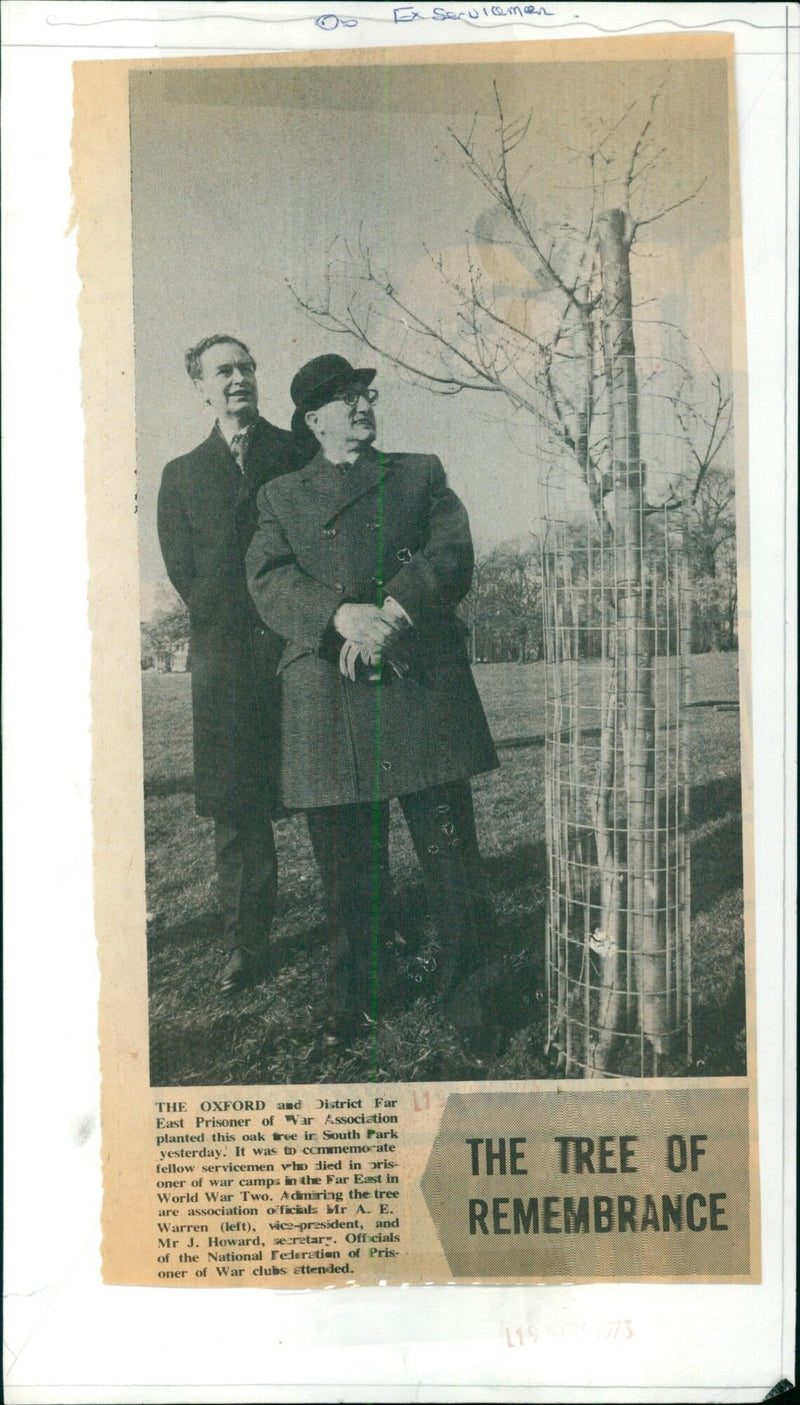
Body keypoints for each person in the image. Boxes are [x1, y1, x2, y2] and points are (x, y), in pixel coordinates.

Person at [246, 353, 499, 1043]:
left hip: (419, 678)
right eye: (343, 398)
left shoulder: (420, 472)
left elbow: (450, 553)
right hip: (328, 686)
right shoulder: (279, 495)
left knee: (451, 857)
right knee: (348, 870)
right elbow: (268, 580)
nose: (361, 405)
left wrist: (390, 612)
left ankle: (470, 990)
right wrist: (339, 618)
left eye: (366, 394)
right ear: (314, 419)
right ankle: (359, 990)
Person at [157, 334, 299, 993]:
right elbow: (187, 574)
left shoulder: (296, 453)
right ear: (201, 387)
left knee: (332, 799)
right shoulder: (181, 475)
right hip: (227, 667)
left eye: (246, 365)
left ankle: (364, 925)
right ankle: (245, 944)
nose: (239, 376)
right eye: (224, 370)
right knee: (239, 814)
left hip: (300, 653)